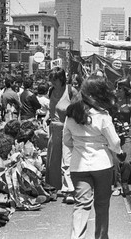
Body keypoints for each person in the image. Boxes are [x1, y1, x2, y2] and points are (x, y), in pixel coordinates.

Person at [63, 75, 122, 239]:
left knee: (81, 205)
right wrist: (113, 149)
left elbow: (67, 141)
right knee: (102, 205)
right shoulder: (102, 116)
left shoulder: (71, 116)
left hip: (78, 166)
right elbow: (115, 142)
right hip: (102, 164)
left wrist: (80, 145)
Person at [46, 67, 77, 203]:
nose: (52, 82)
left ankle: (69, 190)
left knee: (66, 161)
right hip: (54, 130)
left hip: (67, 130)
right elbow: (51, 110)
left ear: (61, 79)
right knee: (53, 161)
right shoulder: (51, 91)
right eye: (51, 79)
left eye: (55, 79)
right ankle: (52, 188)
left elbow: (77, 112)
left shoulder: (71, 91)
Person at [110, 78, 131, 197]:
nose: (117, 90)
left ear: (125, 89)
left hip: (126, 134)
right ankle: (117, 184)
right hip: (114, 133)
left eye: (119, 88)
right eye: (116, 88)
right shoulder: (112, 102)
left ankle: (125, 181)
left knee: (127, 161)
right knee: (115, 161)